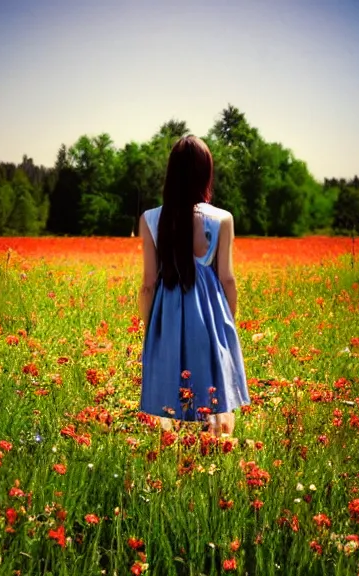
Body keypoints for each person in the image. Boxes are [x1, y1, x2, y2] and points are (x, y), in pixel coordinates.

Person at [138, 135, 250, 437]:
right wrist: (228, 325)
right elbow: (227, 277)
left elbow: (148, 284)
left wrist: (151, 331)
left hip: (167, 315)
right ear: (205, 173)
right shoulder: (222, 219)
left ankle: (172, 450)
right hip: (211, 316)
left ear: (171, 173)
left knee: (170, 392)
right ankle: (215, 446)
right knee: (212, 390)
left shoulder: (150, 219)